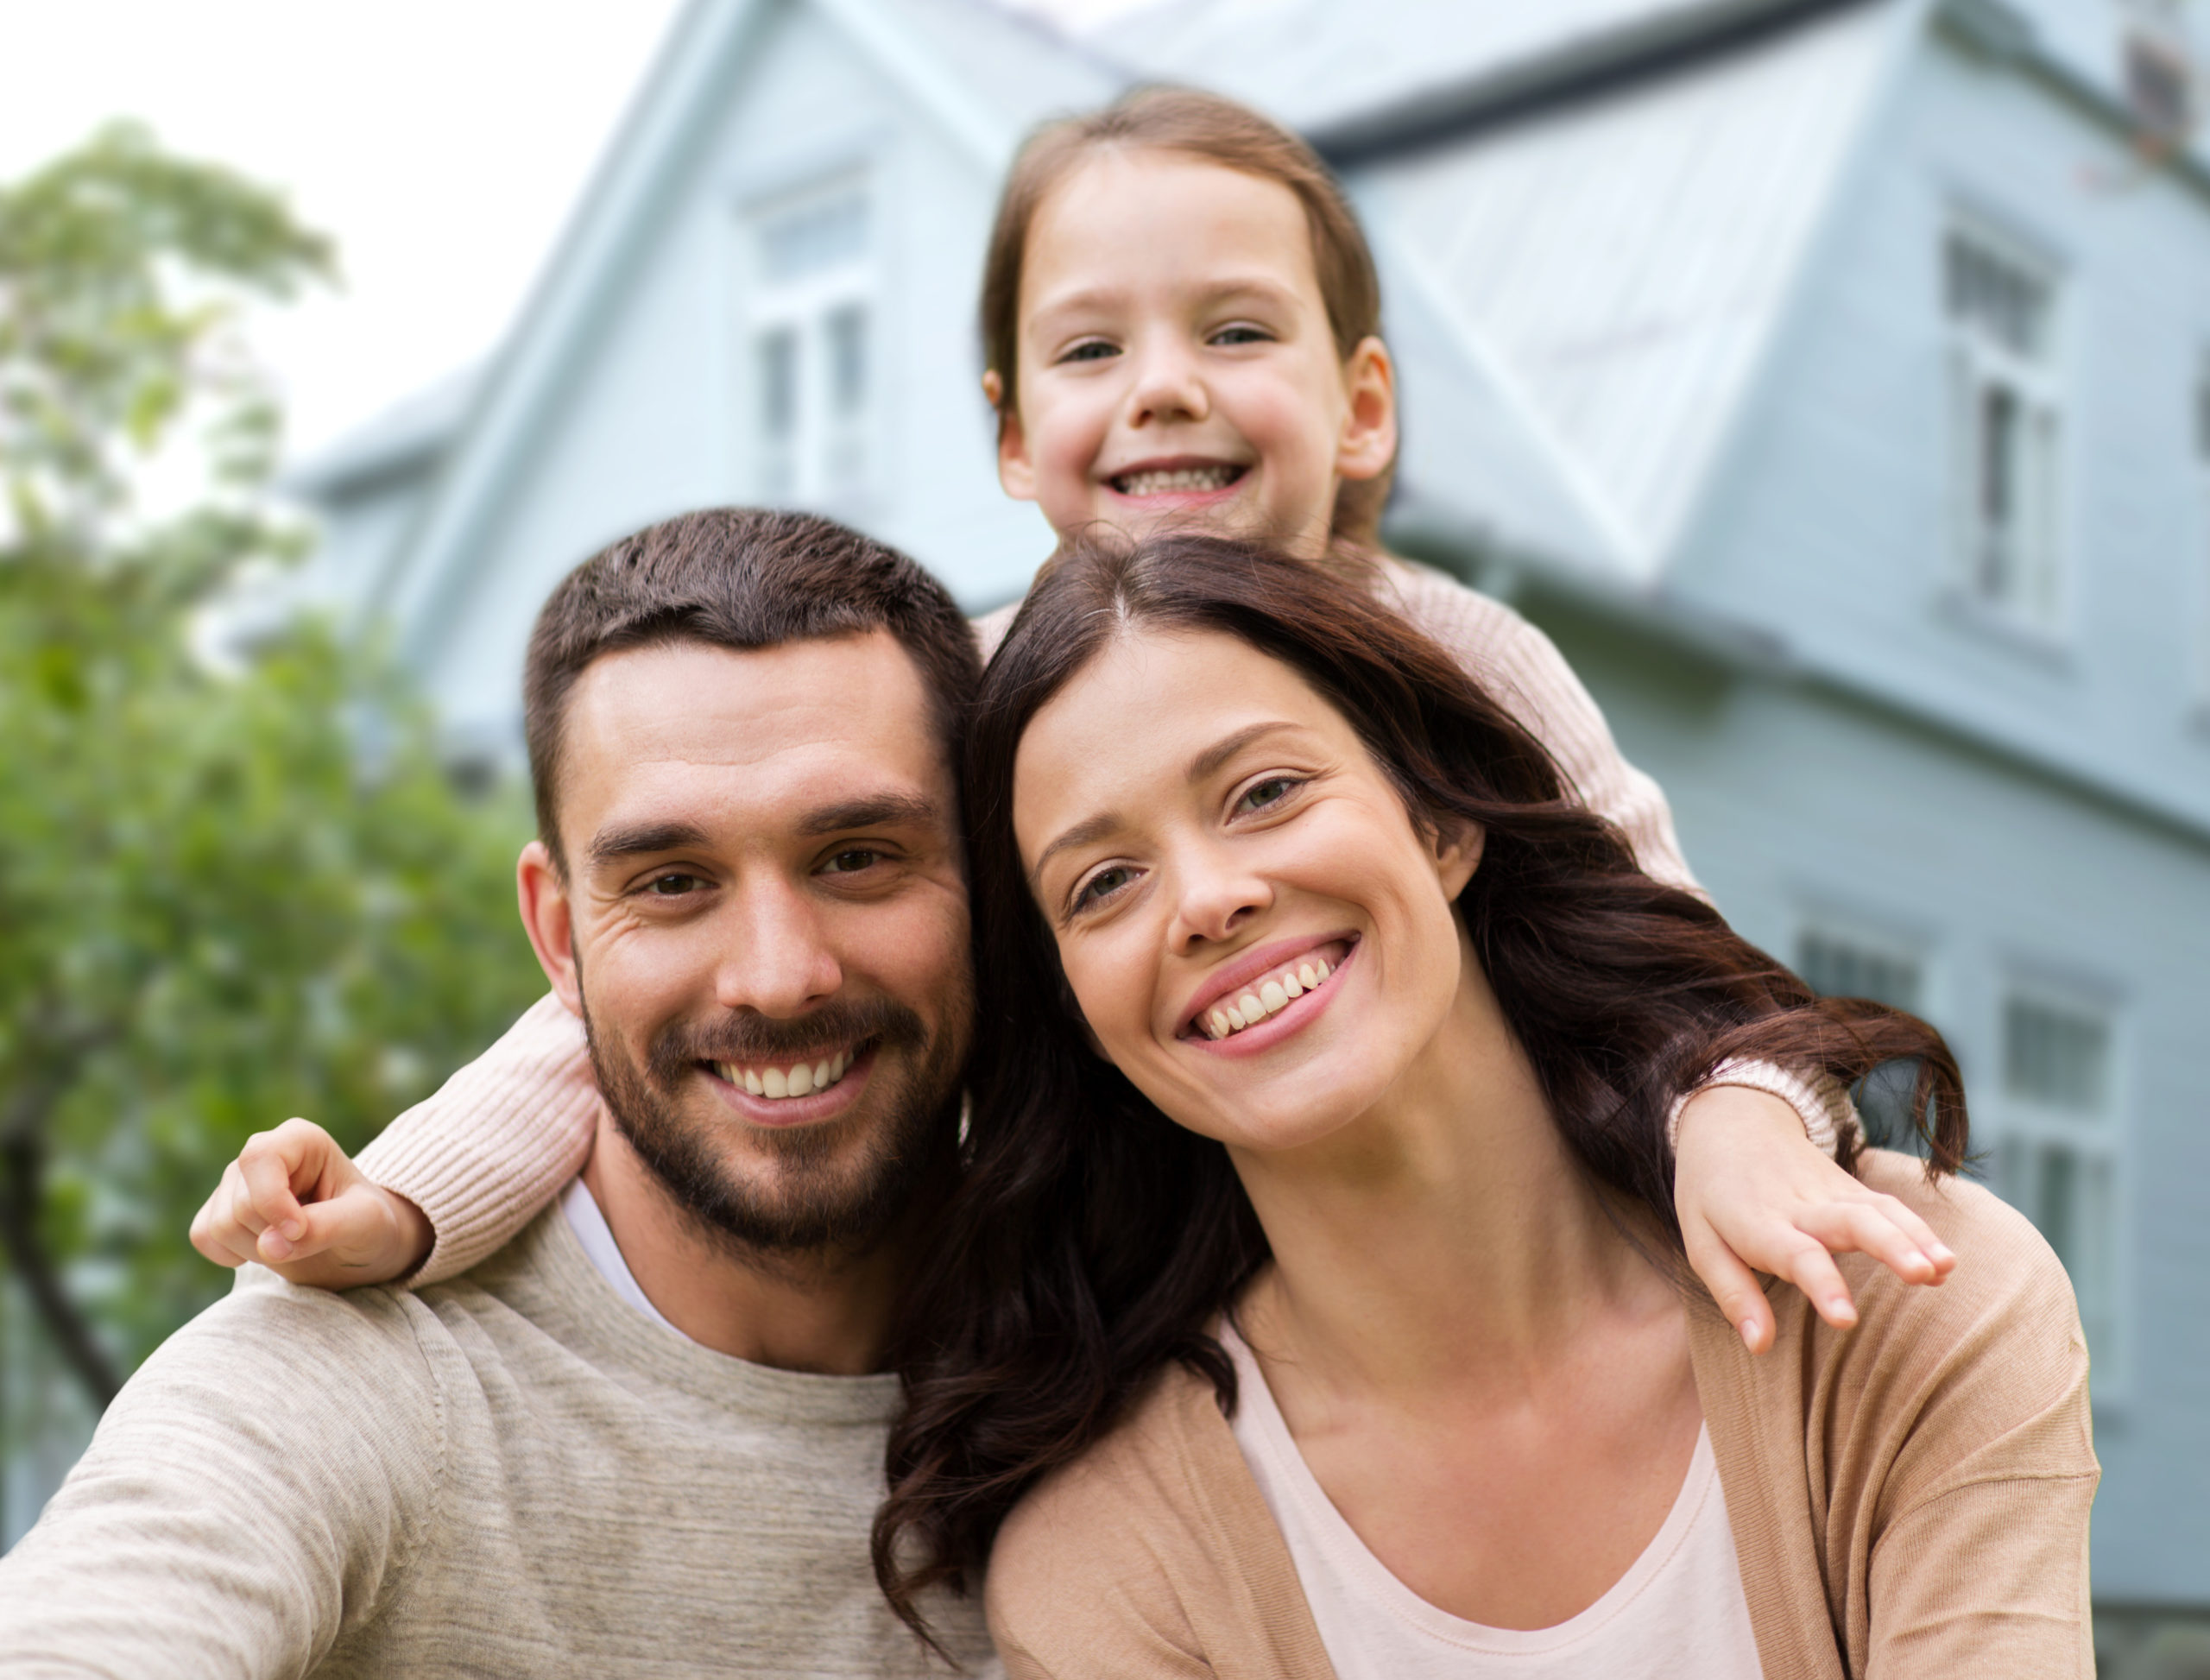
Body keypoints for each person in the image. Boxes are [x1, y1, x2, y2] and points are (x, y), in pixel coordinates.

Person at [194, 88, 1955, 1355]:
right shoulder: (978, 694)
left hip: (1485, 1306)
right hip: (1138, 1324)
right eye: (1092, 350)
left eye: (1235, 330)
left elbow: (1681, 965)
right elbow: (618, 1004)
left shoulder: (1461, 658)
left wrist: (1741, 1118)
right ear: (1011, 434)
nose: (1164, 387)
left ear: (1359, 405)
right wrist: (407, 1203)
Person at [877, 534, 2098, 1678]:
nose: (1205, 900)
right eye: (1103, 883)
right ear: (1077, 1010)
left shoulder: (1902, 1301)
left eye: (1264, 791)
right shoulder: (1114, 1568)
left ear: (1442, 821)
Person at [0, 510, 1001, 1677]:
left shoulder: (1125, 1341)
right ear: (559, 937)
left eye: (857, 857)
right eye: (672, 882)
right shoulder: (358, 1382)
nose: (777, 977)